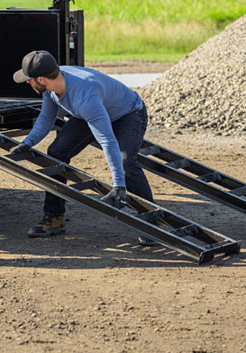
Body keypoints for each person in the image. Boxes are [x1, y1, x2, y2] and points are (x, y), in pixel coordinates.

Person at [10, 50, 155, 241]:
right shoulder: (52, 87)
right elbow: (46, 118)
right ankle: (54, 218)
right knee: (56, 152)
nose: (27, 83)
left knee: (126, 161)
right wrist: (26, 143)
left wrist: (118, 186)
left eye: (29, 79)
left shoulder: (85, 96)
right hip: (90, 113)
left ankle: (152, 224)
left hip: (128, 113)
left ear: (41, 79)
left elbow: (107, 140)